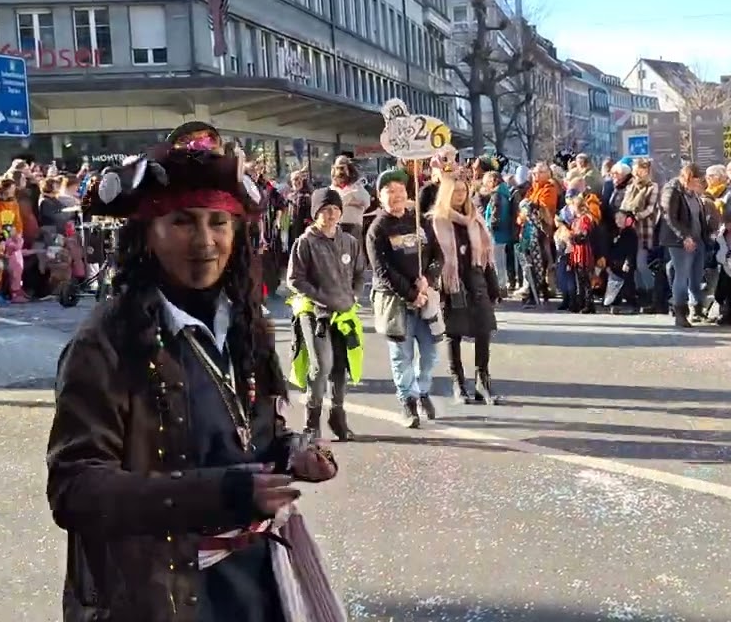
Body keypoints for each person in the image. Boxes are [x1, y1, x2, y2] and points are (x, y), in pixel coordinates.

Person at [46, 121, 342, 622]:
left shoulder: (246, 325)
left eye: (218, 222)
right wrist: (220, 494)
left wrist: (291, 452)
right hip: (159, 596)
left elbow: (248, 437)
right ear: (147, 234)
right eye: (183, 221)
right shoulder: (107, 341)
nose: (204, 240)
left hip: (253, 587)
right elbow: (74, 488)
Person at [286, 187, 367, 442]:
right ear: (315, 214)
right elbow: (294, 280)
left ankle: (338, 417)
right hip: (314, 313)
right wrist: (321, 297)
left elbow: (360, 274)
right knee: (322, 366)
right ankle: (312, 422)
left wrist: (353, 295)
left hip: (343, 313)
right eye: (325, 210)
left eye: (335, 209)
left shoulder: (350, 242)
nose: (331, 215)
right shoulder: (305, 243)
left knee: (341, 367)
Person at [366, 167, 444, 428]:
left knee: (431, 352)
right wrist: (411, 294)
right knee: (402, 354)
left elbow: (438, 256)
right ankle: (408, 400)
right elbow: (382, 270)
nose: (397, 195)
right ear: (380, 196)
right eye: (390, 191)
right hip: (395, 301)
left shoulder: (419, 220)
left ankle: (422, 390)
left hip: (425, 297)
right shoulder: (377, 229)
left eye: (400, 190)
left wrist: (428, 280)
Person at [428, 177, 501, 404]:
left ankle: (482, 381)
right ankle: (458, 384)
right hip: (451, 282)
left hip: (475, 277)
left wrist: (493, 285)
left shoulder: (475, 218)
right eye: (456, 191)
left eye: (463, 191)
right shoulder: (436, 220)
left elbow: (486, 256)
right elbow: (430, 256)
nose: (460, 195)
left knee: (483, 329)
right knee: (454, 334)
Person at [658, 163, 707, 328]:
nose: (698, 184)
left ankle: (697, 308)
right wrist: (684, 236)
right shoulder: (672, 189)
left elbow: (698, 215)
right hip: (679, 241)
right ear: (688, 177)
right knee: (682, 274)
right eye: (696, 181)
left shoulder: (692, 193)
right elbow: (669, 216)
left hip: (697, 238)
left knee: (696, 274)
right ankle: (680, 312)